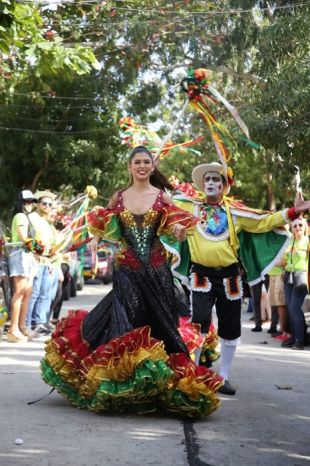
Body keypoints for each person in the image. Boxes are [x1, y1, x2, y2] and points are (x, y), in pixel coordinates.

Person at [40, 146, 223, 419]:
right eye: (136, 161)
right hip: (126, 270)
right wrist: (95, 238)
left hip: (158, 271)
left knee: (163, 326)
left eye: (146, 162)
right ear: (130, 167)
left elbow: (176, 230)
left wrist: (180, 231)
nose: (141, 165)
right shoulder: (119, 197)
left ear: (152, 166)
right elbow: (106, 227)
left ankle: (162, 385)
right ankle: (123, 388)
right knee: (126, 323)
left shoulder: (163, 197)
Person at [172, 162, 310, 395]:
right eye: (208, 180)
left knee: (230, 326)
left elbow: (264, 220)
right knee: (199, 321)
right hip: (201, 274)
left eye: (216, 180)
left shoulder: (235, 212)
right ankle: (195, 373)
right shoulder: (190, 209)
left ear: (224, 186)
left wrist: (294, 212)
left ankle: (223, 377)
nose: (211, 183)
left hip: (229, 277)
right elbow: (162, 202)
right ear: (202, 185)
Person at [25, 190, 58, 335]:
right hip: (35, 260)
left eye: (50, 204)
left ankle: (39, 322)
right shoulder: (31, 217)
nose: (47, 206)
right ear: (37, 204)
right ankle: (28, 323)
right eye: (44, 203)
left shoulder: (47, 222)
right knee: (34, 293)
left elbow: (51, 244)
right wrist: (33, 254)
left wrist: (51, 259)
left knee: (44, 294)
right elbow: (28, 238)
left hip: (47, 261)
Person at [6, 190, 38, 342]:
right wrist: (39, 248)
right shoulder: (20, 216)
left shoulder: (27, 218)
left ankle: (21, 326)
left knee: (27, 292)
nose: (30, 204)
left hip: (28, 256)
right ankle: (13, 329)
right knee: (19, 292)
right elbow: (23, 237)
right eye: (26, 201)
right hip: (19, 255)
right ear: (21, 202)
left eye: (32, 201)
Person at [281, 216, 309, 350]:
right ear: (291, 229)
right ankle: (294, 337)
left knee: (294, 308)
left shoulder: (307, 242)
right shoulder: (290, 241)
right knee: (290, 309)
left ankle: (300, 340)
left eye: (300, 225)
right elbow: (284, 261)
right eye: (295, 225)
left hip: (301, 276)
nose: (297, 227)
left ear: (305, 228)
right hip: (288, 276)